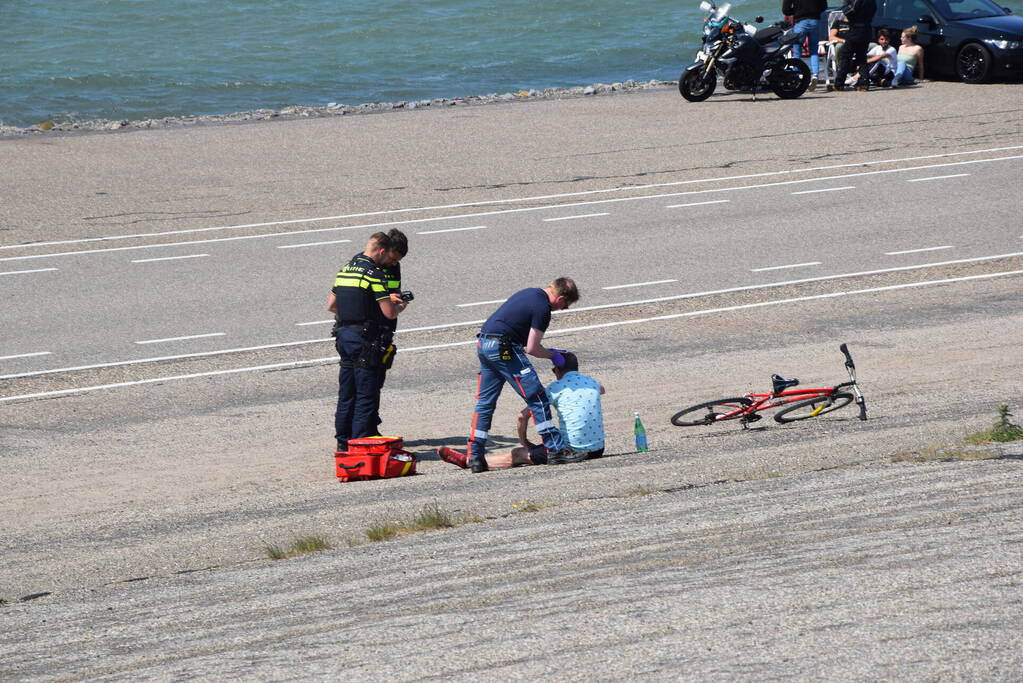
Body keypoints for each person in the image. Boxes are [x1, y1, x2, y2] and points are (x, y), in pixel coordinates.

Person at [465, 277, 581, 473]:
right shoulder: (543, 308)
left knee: (485, 403)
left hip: (484, 344)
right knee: (537, 397)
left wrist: (550, 351)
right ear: (561, 298)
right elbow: (532, 348)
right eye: (565, 306)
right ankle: (555, 449)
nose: (561, 310)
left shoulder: (529, 293)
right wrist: (553, 356)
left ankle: (475, 456)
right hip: (505, 347)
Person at [439, 351, 606, 470]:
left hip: (571, 450)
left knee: (518, 454)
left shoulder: (555, 388)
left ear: (558, 370)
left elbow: (522, 417)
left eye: (553, 370)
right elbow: (602, 389)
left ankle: (468, 461)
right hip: (598, 449)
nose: (554, 373)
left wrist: (524, 441)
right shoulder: (592, 383)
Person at [327, 232, 400, 453]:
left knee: (346, 392)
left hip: (343, 336)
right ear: (381, 251)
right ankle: (361, 445)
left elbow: (331, 306)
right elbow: (389, 313)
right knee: (365, 394)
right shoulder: (374, 274)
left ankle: (342, 442)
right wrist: (400, 306)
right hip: (365, 340)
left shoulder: (344, 270)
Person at [369, 228, 410, 436]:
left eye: (398, 261)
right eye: (392, 259)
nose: (394, 264)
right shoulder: (370, 268)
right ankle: (367, 427)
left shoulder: (394, 267)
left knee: (378, 380)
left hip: (386, 329)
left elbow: (394, 291)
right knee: (369, 381)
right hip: (370, 330)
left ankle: (372, 423)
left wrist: (398, 299)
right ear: (384, 251)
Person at [783, 0, 828, 89]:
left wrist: (795, 11)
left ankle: (797, 75)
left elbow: (785, 10)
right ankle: (815, 74)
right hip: (815, 21)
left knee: (797, 50)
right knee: (814, 50)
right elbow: (824, 7)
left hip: (800, 21)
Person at [833, 0, 876, 92]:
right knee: (862, 58)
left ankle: (839, 84)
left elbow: (850, 10)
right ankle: (864, 84)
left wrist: (845, 5)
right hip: (867, 30)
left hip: (856, 29)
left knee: (845, 56)